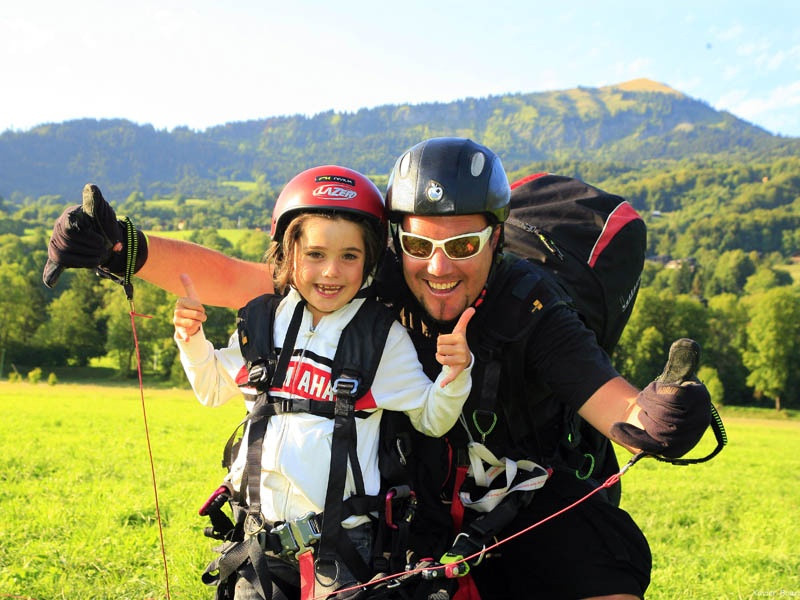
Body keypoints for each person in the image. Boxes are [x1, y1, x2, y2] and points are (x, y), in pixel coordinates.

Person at [44, 138, 712, 600]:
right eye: (419, 243)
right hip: (420, 492)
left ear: (497, 238)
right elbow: (252, 282)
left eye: (464, 245)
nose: (439, 265)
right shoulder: (380, 279)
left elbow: (611, 402)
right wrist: (124, 248)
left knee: (597, 562)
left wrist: (656, 416)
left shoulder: (531, 305)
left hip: (529, 488)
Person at [172, 165, 475, 599]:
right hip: (257, 545)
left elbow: (432, 418)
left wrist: (454, 374)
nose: (331, 272)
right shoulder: (263, 320)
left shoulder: (379, 336)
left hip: (342, 550)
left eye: (349, 256)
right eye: (315, 254)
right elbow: (213, 388)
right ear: (287, 255)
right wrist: (191, 339)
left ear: (370, 261)